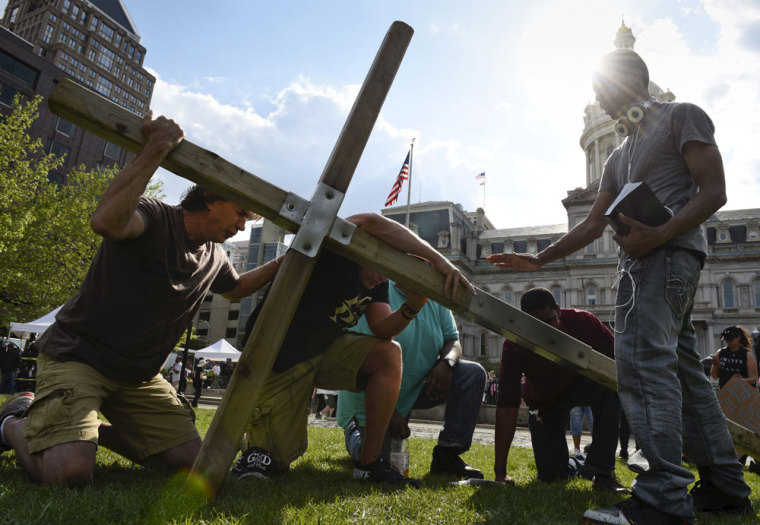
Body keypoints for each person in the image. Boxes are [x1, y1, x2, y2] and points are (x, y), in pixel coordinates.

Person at [489, 49, 752, 523]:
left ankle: (662, 498)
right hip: (646, 264)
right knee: (688, 377)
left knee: (641, 366)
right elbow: (591, 224)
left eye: (602, 90)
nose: (601, 103)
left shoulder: (680, 116)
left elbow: (716, 190)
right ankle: (725, 487)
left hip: (666, 258)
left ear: (634, 78)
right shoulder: (618, 156)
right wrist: (540, 259)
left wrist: (661, 233)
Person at [0, 111, 282, 486]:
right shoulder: (153, 216)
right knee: (70, 473)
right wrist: (157, 147)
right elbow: (106, 221)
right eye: (240, 213)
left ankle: (82, 428)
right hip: (79, 357)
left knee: (195, 467)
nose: (242, 226)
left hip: (138, 377)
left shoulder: (215, 255)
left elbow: (238, 289)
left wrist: (289, 260)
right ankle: (14, 423)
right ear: (213, 199)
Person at [232, 213, 475, 487]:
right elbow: (369, 220)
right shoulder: (336, 252)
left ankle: (369, 465)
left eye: (390, 270)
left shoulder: (378, 282)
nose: (383, 276)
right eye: (382, 265)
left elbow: (383, 328)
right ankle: (251, 440)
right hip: (278, 356)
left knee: (388, 352)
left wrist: (412, 307)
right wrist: (439, 262)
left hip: (323, 353)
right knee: (269, 461)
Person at [337, 283, 486, 479]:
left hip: (413, 390)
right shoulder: (379, 289)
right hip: (366, 401)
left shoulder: (435, 297)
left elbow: (452, 339)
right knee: (377, 458)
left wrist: (447, 362)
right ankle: (355, 434)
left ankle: (447, 455)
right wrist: (389, 414)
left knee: (472, 374)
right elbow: (357, 360)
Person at [494, 288, 623, 492]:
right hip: (545, 400)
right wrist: (500, 473)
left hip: (583, 384)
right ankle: (583, 459)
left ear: (558, 311)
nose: (545, 333)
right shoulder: (515, 344)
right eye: (536, 326)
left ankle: (602, 470)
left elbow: (617, 369)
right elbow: (507, 406)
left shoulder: (584, 322)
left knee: (607, 384)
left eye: (549, 322)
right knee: (552, 476)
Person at [711, 325, 758, 389]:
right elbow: (714, 376)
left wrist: (741, 381)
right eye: (726, 339)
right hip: (725, 392)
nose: (728, 342)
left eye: (730, 339)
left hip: (742, 393)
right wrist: (715, 365)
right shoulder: (720, 353)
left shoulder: (747, 355)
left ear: (738, 337)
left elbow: (754, 379)